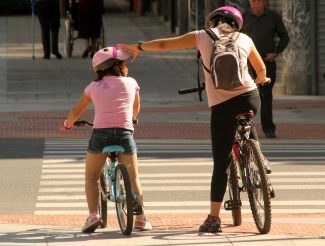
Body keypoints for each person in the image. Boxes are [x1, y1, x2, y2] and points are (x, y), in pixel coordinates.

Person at [118, 6, 270, 233]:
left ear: (212, 22)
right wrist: (262, 78)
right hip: (250, 98)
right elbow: (260, 69)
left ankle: (214, 219)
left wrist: (137, 47)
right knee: (247, 117)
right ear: (237, 24)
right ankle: (259, 156)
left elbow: (164, 44)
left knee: (222, 163)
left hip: (222, 105)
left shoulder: (201, 36)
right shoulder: (245, 38)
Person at [60, 47, 152, 232]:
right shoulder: (131, 83)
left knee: (91, 177)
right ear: (116, 66)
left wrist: (68, 124)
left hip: (100, 135)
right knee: (134, 178)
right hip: (125, 134)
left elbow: (77, 110)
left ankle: (93, 216)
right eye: (122, 63)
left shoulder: (94, 87)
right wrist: (132, 119)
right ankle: (141, 218)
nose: (125, 65)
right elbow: (136, 106)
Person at [241, 0, 289, 138]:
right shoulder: (243, 17)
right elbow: (236, 37)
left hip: (266, 62)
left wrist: (275, 52)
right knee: (245, 96)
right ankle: (245, 129)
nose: (256, 4)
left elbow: (284, 37)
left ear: (264, 2)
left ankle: (268, 129)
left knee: (266, 96)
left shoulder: (273, 16)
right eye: (253, 1)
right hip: (247, 64)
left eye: (259, 2)